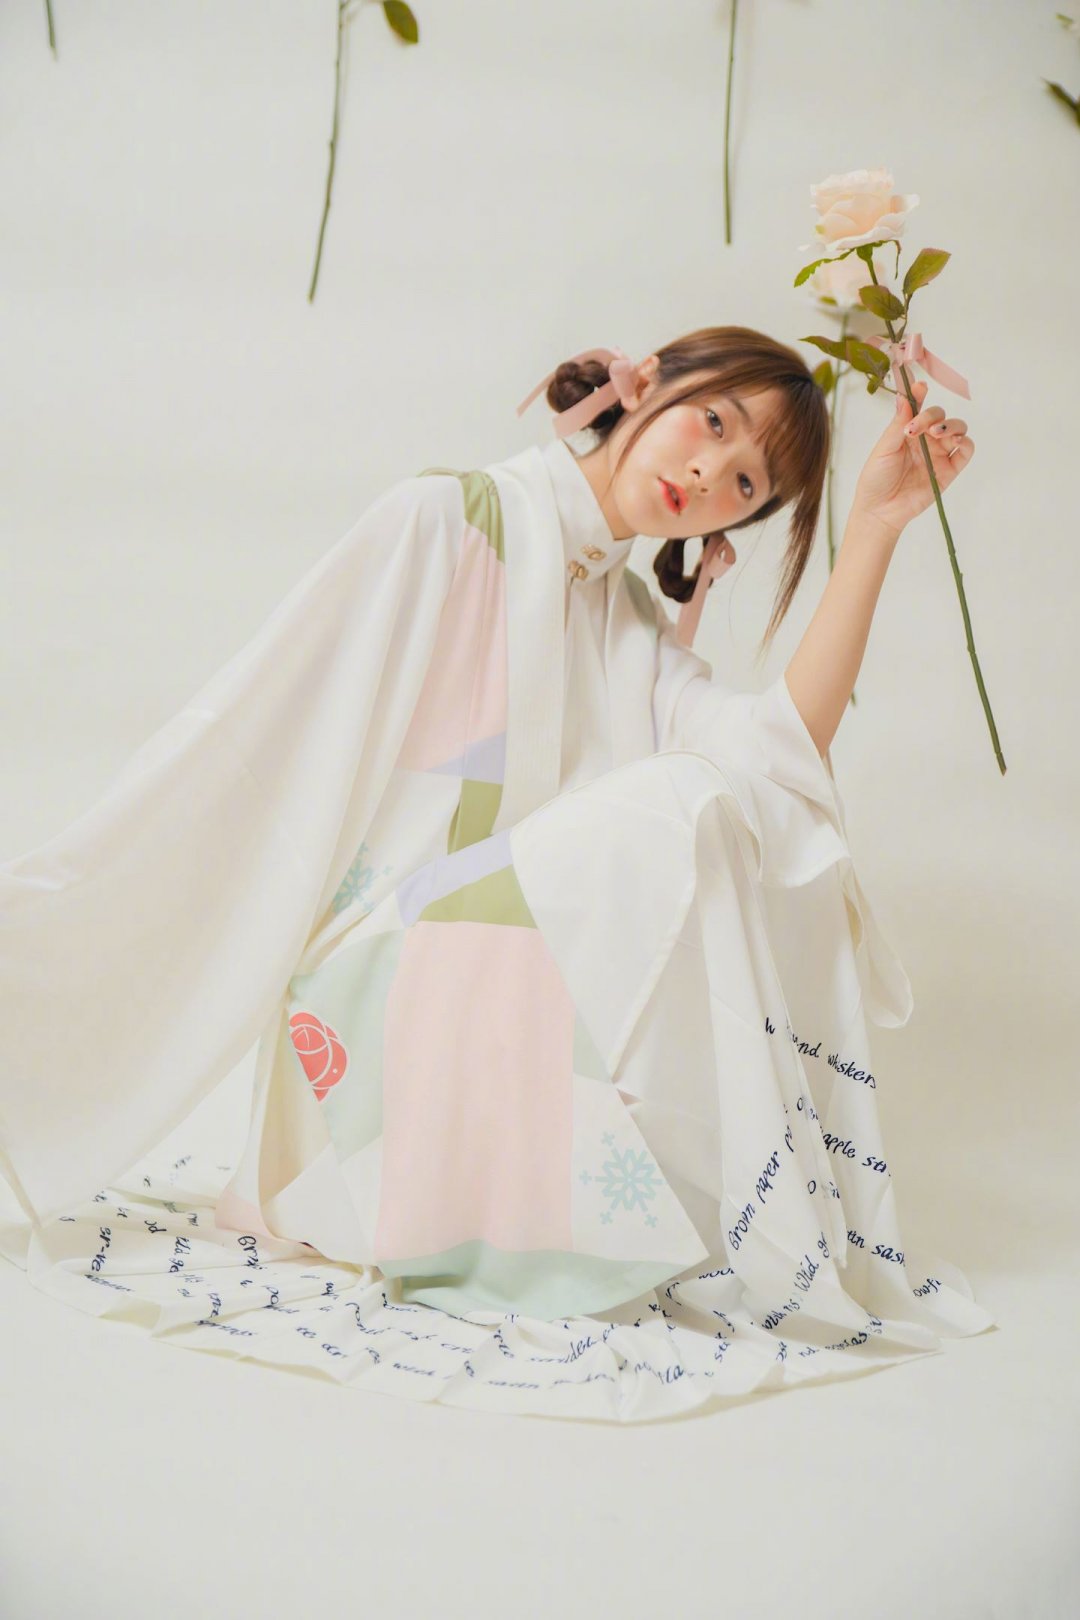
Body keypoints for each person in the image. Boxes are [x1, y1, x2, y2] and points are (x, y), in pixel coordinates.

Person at [0, 325, 994, 1424]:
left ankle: (564, 1204)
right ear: (648, 382)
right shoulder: (446, 522)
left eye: (748, 484)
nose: (711, 472)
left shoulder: (628, 627)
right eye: (713, 422)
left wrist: (875, 532)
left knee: (716, 800)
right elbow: (256, 727)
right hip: (362, 1024)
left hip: (485, 1029)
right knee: (678, 798)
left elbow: (778, 753)